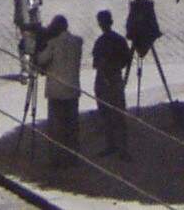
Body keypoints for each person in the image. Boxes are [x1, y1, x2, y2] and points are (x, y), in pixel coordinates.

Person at [35, 14, 83, 169]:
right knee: (72, 126)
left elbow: (41, 60)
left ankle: (57, 159)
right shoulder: (77, 42)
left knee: (56, 127)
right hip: (72, 90)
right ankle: (72, 157)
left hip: (57, 92)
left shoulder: (53, 44)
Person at [91, 10, 132, 158]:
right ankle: (122, 147)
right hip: (115, 78)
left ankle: (112, 145)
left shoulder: (100, 42)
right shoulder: (119, 40)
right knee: (118, 114)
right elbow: (127, 60)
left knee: (106, 114)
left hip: (103, 79)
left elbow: (95, 63)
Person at [9, 0, 45, 81]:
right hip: (23, 17)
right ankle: (24, 69)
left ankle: (33, 67)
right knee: (25, 42)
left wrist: (37, 1)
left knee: (35, 41)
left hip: (34, 15)